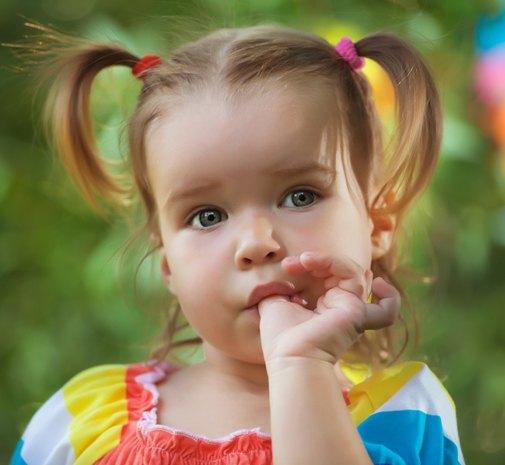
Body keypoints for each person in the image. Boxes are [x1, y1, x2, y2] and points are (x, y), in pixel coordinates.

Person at [10, 23, 465, 465]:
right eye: (207, 216)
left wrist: (301, 366)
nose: (256, 244)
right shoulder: (79, 421)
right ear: (168, 263)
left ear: (377, 223)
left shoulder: (406, 414)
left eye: (299, 196)